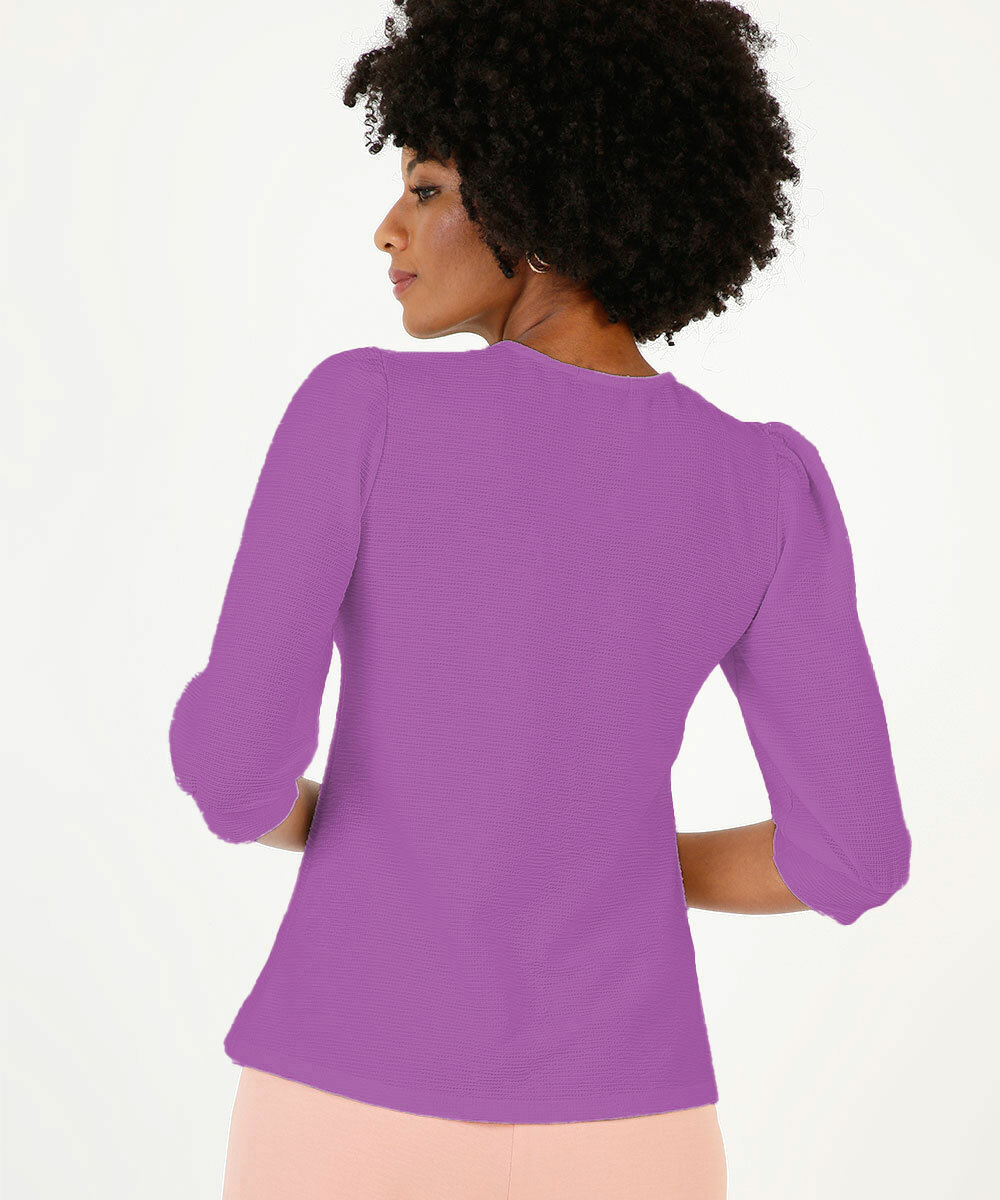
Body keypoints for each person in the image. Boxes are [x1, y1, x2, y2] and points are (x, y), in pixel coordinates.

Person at [168, 2, 912, 1196]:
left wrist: (338, 816)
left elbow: (232, 775)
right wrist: (613, 859)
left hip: (346, 1095)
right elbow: (851, 859)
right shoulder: (766, 484)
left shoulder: (364, 413)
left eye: (425, 189)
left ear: (537, 199)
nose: (386, 229)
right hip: (634, 1127)